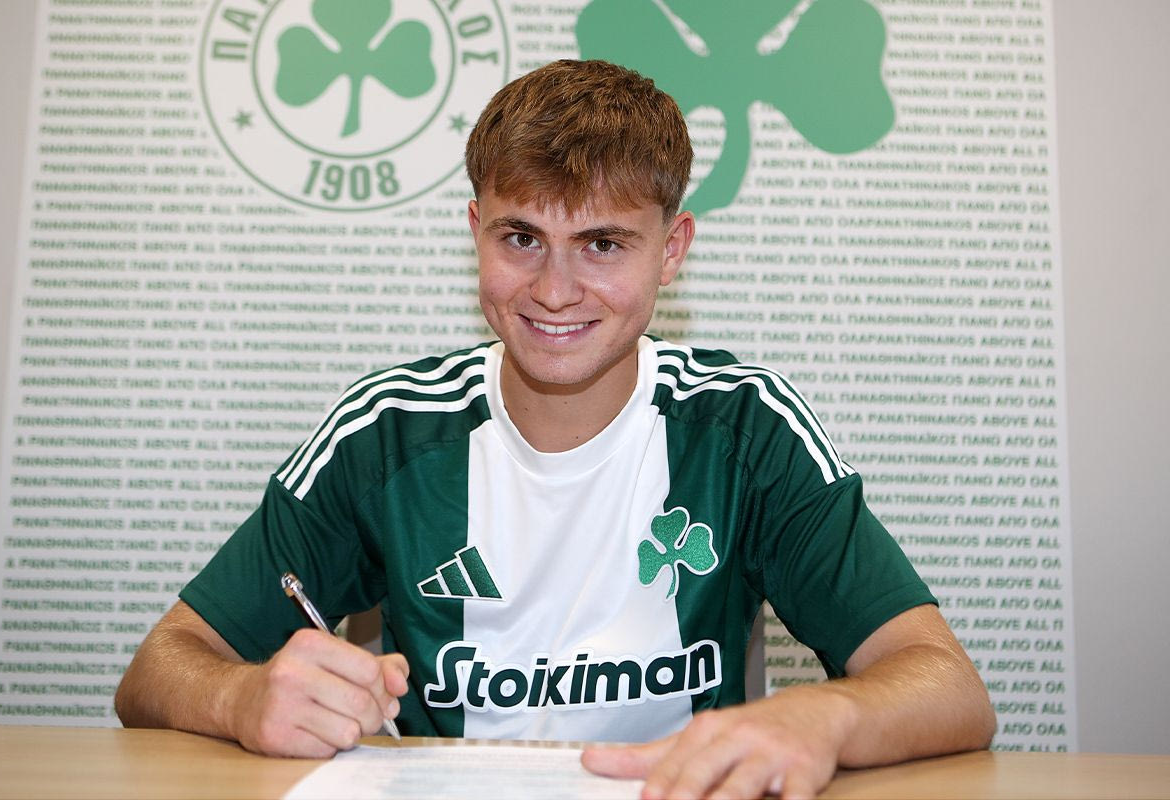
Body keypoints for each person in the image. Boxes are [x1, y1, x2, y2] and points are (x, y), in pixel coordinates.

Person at [115, 59, 994, 799]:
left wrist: (822, 716)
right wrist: (242, 699)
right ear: (476, 232)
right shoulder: (385, 432)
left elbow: (947, 685)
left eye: (603, 244)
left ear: (672, 248)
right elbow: (160, 668)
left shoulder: (745, 428)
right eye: (521, 238)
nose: (555, 290)